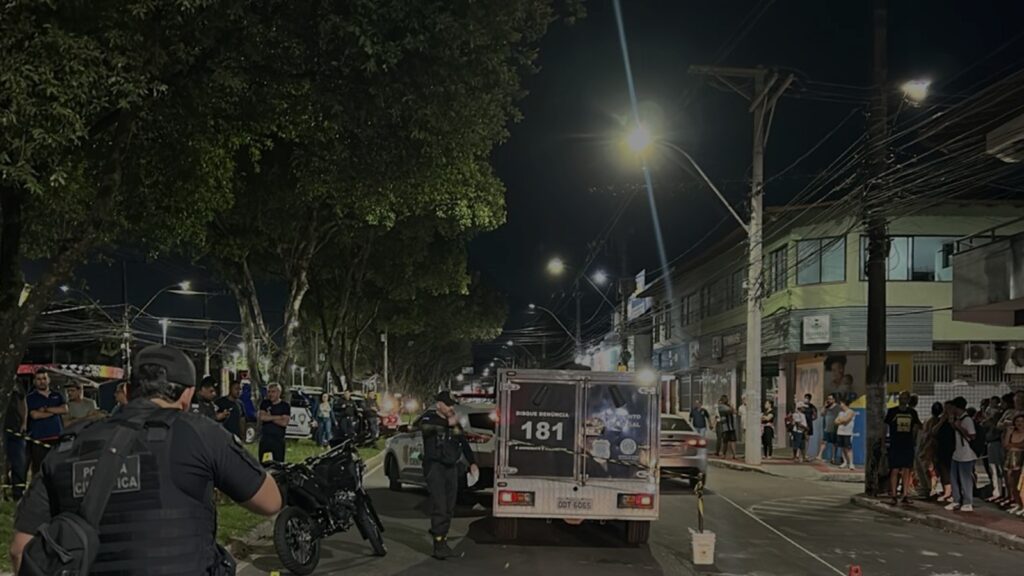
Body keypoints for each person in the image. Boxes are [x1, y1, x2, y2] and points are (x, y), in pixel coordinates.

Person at [9, 344, 282, 575]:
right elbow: (269, 501)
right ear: (188, 395)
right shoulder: (200, 433)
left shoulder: (68, 445)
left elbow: (21, 550)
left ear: (127, 392)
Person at [420, 390, 477, 560]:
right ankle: (438, 546)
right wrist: (448, 423)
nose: (451, 408)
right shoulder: (429, 419)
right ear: (439, 405)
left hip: (451, 467)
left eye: (452, 405)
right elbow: (427, 429)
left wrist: (472, 462)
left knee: (449, 507)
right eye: (448, 405)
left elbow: (463, 442)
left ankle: (441, 537)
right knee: (440, 506)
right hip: (435, 467)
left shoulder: (453, 423)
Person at [25, 369, 67, 474]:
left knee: (57, 467)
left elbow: (64, 410)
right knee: (39, 469)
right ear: (34, 381)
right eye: (39, 379)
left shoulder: (57, 395)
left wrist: (45, 409)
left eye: (44, 378)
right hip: (39, 439)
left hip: (57, 437)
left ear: (49, 380)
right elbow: (35, 415)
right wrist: (54, 411)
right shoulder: (30, 398)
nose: (42, 381)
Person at [885, 391, 923, 505]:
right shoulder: (892, 411)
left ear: (908, 400)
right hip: (895, 444)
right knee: (894, 469)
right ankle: (893, 495)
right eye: (901, 397)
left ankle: (905, 494)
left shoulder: (912, 413)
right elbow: (885, 426)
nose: (903, 400)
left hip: (908, 444)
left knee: (907, 469)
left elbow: (917, 426)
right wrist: (883, 442)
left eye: (905, 398)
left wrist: (915, 440)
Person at [946, 396, 977, 512]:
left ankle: (968, 502)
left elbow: (972, 436)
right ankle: (956, 500)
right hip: (957, 453)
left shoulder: (967, 420)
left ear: (956, 407)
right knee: (954, 477)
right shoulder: (957, 418)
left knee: (965, 479)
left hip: (966, 454)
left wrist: (959, 427)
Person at [3, 377, 28, 500]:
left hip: (16, 429)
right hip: (3, 430)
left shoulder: (15, 381)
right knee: (3, 464)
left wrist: (24, 422)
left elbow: (23, 402)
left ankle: (18, 494)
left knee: (19, 463)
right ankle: (3, 493)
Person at [982, 395, 1007, 504]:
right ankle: (998, 491)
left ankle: (999, 492)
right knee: (994, 469)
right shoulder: (993, 413)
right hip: (992, 442)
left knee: (997, 469)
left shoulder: (999, 414)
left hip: (996, 443)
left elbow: (988, 424)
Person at [258, 383, 291, 464]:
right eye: (269, 392)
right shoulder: (265, 403)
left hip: (278, 440)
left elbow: (284, 423)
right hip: (265, 439)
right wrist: (279, 417)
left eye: (273, 392)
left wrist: (269, 417)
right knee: (263, 464)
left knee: (278, 464)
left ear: (279, 393)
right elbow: (262, 417)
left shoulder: (285, 406)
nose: (270, 394)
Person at [1005, 414, 1024, 516]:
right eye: (1017, 421)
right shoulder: (1012, 433)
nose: (1019, 423)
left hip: (1020, 458)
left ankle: (1022, 504)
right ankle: (1018, 503)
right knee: (1010, 482)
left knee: (1019, 483)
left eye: (1022, 421)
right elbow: (1005, 444)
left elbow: (1021, 445)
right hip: (1010, 457)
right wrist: (1008, 433)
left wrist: (1012, 445)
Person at [817, 394, 840, 464]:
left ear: (834, 400)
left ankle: (833, 458)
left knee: (834, 443)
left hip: (834, 428)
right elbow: (821, 414)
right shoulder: (827, 407)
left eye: (830, 399)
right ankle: (819, 455)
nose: (829, 400)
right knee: (824, 441)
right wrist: (825, 406)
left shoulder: (838, 407)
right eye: (828, 399)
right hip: (827, 427)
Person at [835, 398, 856, 470]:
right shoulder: (840, 413)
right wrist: (841, 421)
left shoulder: (851, 411)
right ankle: (845, 462)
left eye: (841, 403)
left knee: (848, 448)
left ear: (844, 404)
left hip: (847, 433)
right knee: (842, 448)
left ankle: (851, 463)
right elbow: (835, 422)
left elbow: (846, 420)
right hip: (840, 432)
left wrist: (840, 420)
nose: (840, 405)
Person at [800, 393, 818, 460]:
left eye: (807, 398)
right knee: (800, 439)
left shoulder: (812, 407)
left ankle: (805, 454)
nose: (806, 399)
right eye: (805, 398)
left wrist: (811, 418)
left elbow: (815, 416)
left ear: (810, 399)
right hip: (801, 424)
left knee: (807, 439)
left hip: (809, 425)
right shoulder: (801, 405)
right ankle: (799, 454)